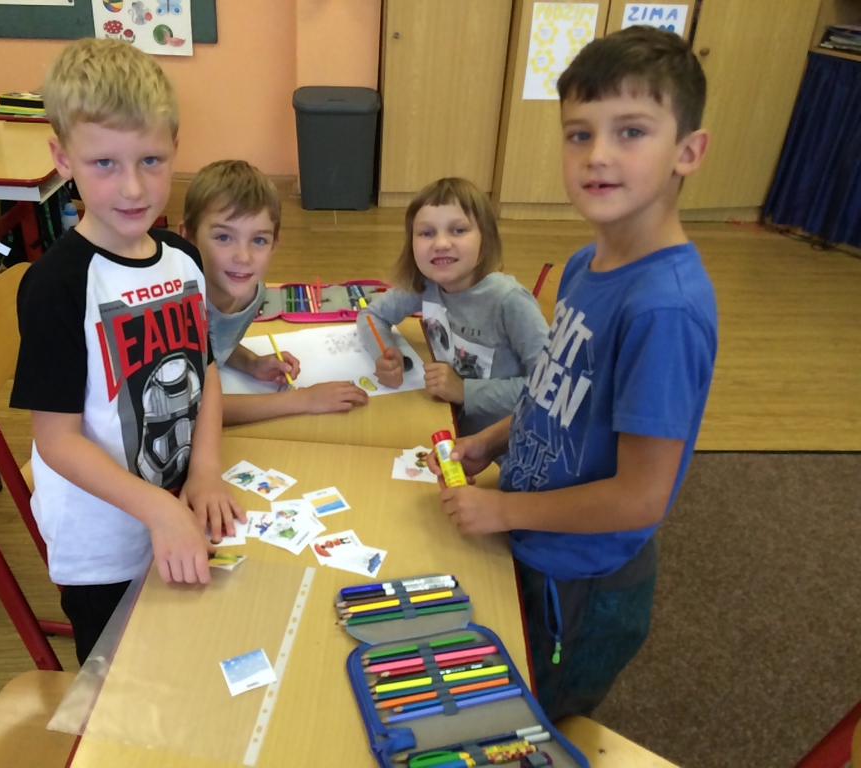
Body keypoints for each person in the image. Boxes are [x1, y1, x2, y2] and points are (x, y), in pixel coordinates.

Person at [428, 26, 717, 721]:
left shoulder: (666, 310)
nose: (598, 155)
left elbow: (640, 499)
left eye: (631, 131)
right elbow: (555, 388)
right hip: (531, 533)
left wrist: (504, 511)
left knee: (530, 721)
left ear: (688, 151)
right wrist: (492, 439)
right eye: (579, 134)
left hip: (581, 584)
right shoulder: (588, 263)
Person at [9, 38, 243, 665]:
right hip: (104, 546)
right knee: (122, 684)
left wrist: (205, 470)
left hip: (178, 504)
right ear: (63, 159)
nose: (134, 187)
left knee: (188, 656)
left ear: (175, 149)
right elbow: (56, 442)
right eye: (104, 163)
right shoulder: (58, 285)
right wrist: (158, 510)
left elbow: (205, 369)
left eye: (151, 160)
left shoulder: (184, 260)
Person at [180, 159, 369, 424]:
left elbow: (212, 343)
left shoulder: (251, 294)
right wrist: (304, 400)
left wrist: (251, 363)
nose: (243, 257)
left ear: (274, 244)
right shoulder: (175, 307)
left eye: (258, 240)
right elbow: (191, 408)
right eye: (224, 237)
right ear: (187, 237)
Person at [357, 177, 548, 437]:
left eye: (458, 230)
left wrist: (464, 391)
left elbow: (552, 388)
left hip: (501, 444)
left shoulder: (510, 301)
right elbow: (372, 315)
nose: (441, 244)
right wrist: (386, 354)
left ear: (486, 238)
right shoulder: (427, 283)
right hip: (443, 420)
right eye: (426, 233)